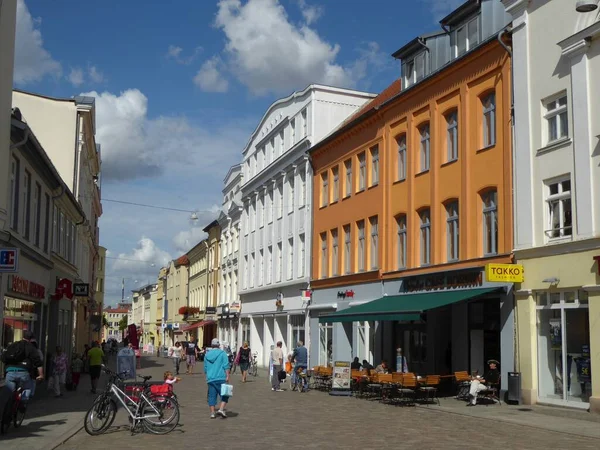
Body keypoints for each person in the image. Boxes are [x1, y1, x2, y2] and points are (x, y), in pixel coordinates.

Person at [1, 331, 44, 407]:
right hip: (24, 373)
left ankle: (7, 408)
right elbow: (38, 362)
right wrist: (41, 375)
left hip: (9, 372)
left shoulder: (13, 345)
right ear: (31, 339)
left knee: (9, 392)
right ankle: (23, 401)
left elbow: (3, 357)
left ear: (22, 337)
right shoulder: (31, 347)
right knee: (28, 387)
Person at [203, 338, 230, 419]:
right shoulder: (222, 353)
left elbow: (205, 368)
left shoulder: (207, 355)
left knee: (211, 396)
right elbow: (226, 365)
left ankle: (212, 413)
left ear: (211, 345)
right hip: (221, 377)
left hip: (211, 378)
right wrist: (227, 375)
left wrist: (208, 375)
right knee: (225, 394)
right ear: (218, 345)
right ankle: (221, 409)